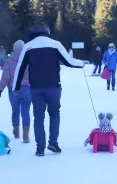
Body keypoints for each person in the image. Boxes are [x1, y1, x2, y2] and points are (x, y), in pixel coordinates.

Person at [12, 24, 84, 156]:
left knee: (38, 117)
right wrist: (81, 64)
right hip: (53, 87)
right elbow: (69, 61)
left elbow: (19, 68)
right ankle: (53, 143)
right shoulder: (55, 44)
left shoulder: (28, 46)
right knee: (54, 114)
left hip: (35, 88)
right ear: (47, 33)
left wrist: (15, 87)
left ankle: (40, 148)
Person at [0, 40, 31, 143]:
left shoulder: (9, 61)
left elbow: (5, 77)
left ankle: (16, 133)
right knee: (26, 112)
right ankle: (26, 136)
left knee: (15, 111)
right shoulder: (29, 59)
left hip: (13, 90)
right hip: (27, 90)